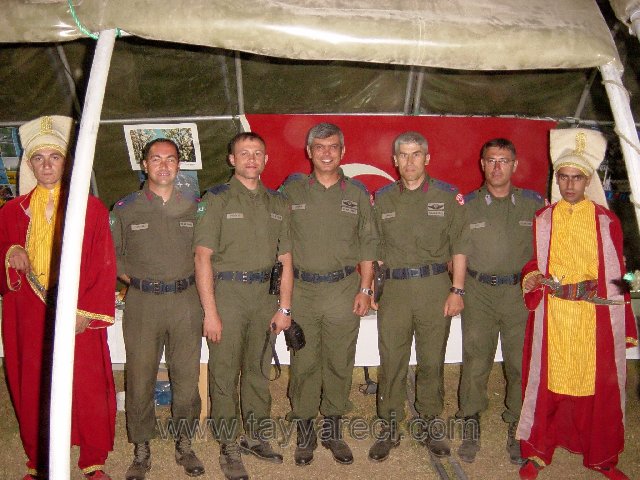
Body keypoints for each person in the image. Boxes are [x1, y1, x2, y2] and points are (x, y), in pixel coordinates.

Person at [517, 128, 638, 480]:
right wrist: (532, 278)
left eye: (577, 178)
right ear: (556, 179)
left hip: (592, 316)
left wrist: (623, 304)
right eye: (564, 177)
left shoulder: (606, 220)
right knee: (549, 385)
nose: (569, 185)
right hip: (554, 315)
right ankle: (538, 451)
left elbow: (620, 269)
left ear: (588, 181)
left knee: (596, 386)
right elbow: (533, 262)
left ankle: (601, 457)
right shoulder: (543, 219)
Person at [0, 115, 116, 479]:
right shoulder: (10, 212)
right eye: (39, 158)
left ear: (67, 163)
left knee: (87, 385)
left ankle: (93, 460)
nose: (47, 165)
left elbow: (103, 263)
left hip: (78, 311)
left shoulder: (91, 208)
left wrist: (86, 312)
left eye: (55, 157)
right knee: (35, 384)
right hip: (29, 314)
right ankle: (40, 460)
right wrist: (10, 253)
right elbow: (1, 250)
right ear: (29, 165)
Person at [194, 132, 292, 480]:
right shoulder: (216, 199)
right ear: (232, 159)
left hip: (264, 297)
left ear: (265, 159)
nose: (252, 159)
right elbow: (202, 258)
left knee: (257, 369)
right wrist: (210, 312)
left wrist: (285, 307)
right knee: (224, 372)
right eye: (244, 153)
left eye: (257, 153)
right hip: (228, 296)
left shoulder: (278, 202)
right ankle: (228, 444)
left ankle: (256, 436)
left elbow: (286, 258)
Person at [280, 122, 377, 467]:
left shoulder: (357, 193)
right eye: (319, 147)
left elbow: (368, 244)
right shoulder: (291, 192)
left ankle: (333, 428)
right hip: (302, 290)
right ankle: (305, 428)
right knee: (304, 360)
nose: (326, 153)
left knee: (339, 360)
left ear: (342, 151)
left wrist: (365, 288)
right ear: (309, 151)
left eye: (333, 147)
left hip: (343, 289)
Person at [368, 131, 468, 462]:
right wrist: (373, 288)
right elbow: (374, 249)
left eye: (416, 154)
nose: (409, 161)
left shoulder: (447, 196)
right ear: (394, 160)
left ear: (427, 158)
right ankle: (390, 425)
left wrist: (457, 289)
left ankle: (430, 421)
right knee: (391, 358)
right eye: (403, 155)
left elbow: (459, 247)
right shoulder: (382, 199)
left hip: (433, 287)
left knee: (431, 358)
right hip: (395, 290)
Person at [110, 138, 205, 480]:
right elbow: (113, 256)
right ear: (144, 164)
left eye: (170, 159)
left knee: (187, 376)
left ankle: (185, 444)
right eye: (156, 159)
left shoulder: (195, 207)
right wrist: (141, 280)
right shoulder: (125, 208)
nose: (163, 165)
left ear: (179, 165)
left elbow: (206, 255)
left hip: (185, 300)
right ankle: (141, 447)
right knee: (139, 377)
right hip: (143, 302)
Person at [455, 138, 545, 465]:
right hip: (479, 292)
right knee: (475, 360)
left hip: (518, 294)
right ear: (482, 164)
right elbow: (455, 250)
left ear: (514, 165)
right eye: (491, 160)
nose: (496, 167)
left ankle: (518, 425)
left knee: (520, 362)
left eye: (503, 161)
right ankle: (470, 421)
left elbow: (548, 247)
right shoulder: (467, 205)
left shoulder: (533, 205)